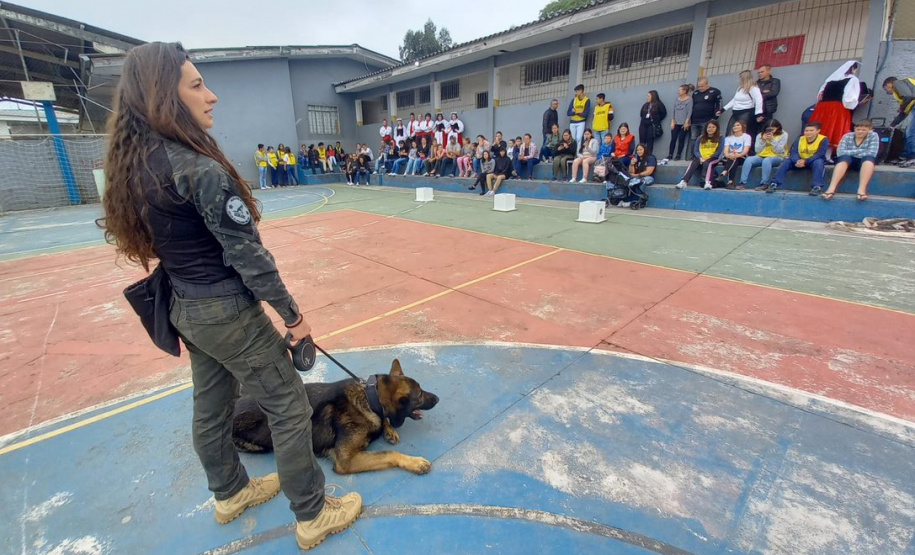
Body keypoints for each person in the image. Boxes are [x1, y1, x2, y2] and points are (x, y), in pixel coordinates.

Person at [99, 42, 361, 552]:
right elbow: (250, 258)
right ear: (164, 97)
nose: (211, 96)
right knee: (287, 406)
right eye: (197, 86)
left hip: (184, 308)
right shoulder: (198, 169)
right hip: (225, 313)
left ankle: (231, 493)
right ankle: (312, 515)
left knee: (212, 404)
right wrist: (294, 318)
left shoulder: (137, 163)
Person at [809, 61, 863, 162]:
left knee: (822, 130)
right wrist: (854, 104)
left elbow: (820, 95)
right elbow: (849, 98)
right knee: (834, 131)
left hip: (822, 108)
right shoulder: (853, 79)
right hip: (838, 108)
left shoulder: (829, 80)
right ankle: (827, 156)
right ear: (853, 69)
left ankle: (814, 154)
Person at [822, 119, 879, 201]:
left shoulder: (873, 136)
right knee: (843, 159)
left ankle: (861, 189)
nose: (860, 132)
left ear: (869, 130)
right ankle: (831, 188)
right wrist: (862, 150)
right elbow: (840, 152)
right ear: (854, 129)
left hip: (863, 161)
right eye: (858, 129)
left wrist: (849, 152)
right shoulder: (847, 136)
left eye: (863, 130)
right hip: (848, 161)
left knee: (869, 160)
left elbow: (872, 153)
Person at [766, 122, 829, 195]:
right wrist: (797, 160)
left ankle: (817, 187)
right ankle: (774, 184)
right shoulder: (800, 139)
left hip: (812, 161)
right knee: (787, 161)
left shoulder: (823, 139)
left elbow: (820, 154)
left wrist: (805, 161)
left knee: (819, 162)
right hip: (799, 161)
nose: (808, 132)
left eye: (811, 130)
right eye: (806, 131)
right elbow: (793, 152)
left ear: (818, 131)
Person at [720, 70, 764, 151]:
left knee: (744, 133)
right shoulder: (740, 88)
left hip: (746, 112)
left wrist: (758, 114)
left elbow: (759, 100)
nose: (739, 80)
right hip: (736, 112)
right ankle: (728, 151)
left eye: (740, 78)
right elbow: (734, 100)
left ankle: (745, 151)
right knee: (730, 131)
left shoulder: (753, 89)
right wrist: (723, 109)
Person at [741, 119, 788, 190]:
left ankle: (764, 183)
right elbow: (757, 150)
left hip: (776, 157)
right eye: (769, 129)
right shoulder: (760, 135)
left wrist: (772, 140)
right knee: (749, 159)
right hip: (761, 155)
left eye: (773, 129)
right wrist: (763, 140)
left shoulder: (783, 134)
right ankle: (742, 182)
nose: (771, 131)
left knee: (767, 160)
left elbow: (778, 151)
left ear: (777, 128)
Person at [676, 120, 722, 189]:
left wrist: (709, 158)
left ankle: (707, 182)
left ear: (716, 128)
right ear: (706, 128)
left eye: (713, 127)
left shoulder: (720, 138)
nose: (710, 129)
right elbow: (696, 150)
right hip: (701, 157)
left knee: (708, 163)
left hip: (713, 158)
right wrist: (700, 157)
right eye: (709, 127)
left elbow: (719, 151)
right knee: (693, 163)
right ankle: (684, 181)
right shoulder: (700, 138)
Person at [687, 77, 723, 160]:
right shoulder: (695, 93)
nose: (700, 88)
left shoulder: (714, 92)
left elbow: (719, 105)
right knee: (693, 138)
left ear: (707, 84)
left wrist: (715, 118)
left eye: (702, 86)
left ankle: (706, 156)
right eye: (698, 86)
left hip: (707, 121)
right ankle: (693, 156)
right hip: (695, 120)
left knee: (705, 138)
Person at [883, 76, 915, 163]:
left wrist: (901, 107)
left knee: (911, 132)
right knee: (908, 132)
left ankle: (913, 156)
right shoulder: (905, 98)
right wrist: (892, 125)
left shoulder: (898, 83)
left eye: (886, 90)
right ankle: (905, 156)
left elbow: (910, 96)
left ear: (888, 84)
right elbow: (904, 112)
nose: (888, 92)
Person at [715, 120, 752, 189]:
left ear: (742, 127)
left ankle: (724, 173)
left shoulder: (747, 137)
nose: (735, 127)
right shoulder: (729, 138)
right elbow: (725, 151)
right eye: (734, 125)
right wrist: (729, 155)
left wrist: (736, 155)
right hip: (729, 157)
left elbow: (745, 151)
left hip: (742, 157)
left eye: (738, 125)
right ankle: (730, 182)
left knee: (734, 159)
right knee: (733, 160)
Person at [664, 84, 693, 163]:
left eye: (679, 90)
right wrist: (672, 121)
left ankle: (678, 154)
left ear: (684, 91)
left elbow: (689, 111)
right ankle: (670, 154)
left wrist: (687, 122)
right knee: (673, 139)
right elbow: (673, 110)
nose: (678, 91)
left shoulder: (689, 100)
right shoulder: (677, 99)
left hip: (684, 123)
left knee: (681, 139)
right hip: (676, 122)